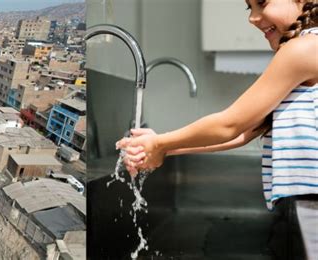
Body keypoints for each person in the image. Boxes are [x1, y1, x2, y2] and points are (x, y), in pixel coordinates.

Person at [116, 1, 317, 258]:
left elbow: (229, 124)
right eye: (249, 8)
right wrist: (162, 148)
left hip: (309, 206)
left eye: (261, 3)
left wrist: (160, 144)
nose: (253, 18)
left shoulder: (304, 48)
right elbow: (244, 133)